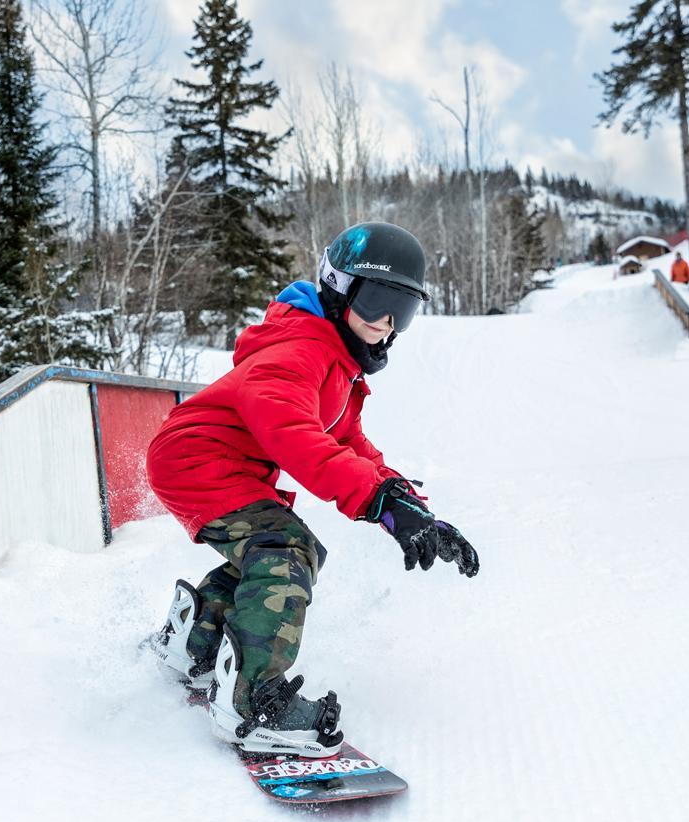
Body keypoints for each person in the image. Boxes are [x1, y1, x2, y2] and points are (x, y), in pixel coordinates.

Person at [145, 222, 480, 758]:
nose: (386, 326)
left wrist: (410, 509)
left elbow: (350, 444)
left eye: (404, 311)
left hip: (208, 463)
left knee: (273, 552)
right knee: (286, 551)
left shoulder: (334, 365)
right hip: (200, 461)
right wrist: (380, 504)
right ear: (339, 288)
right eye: (376, 304)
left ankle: (194, 642)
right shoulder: (299, 352)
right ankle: (253, 706)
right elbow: (299, 441)